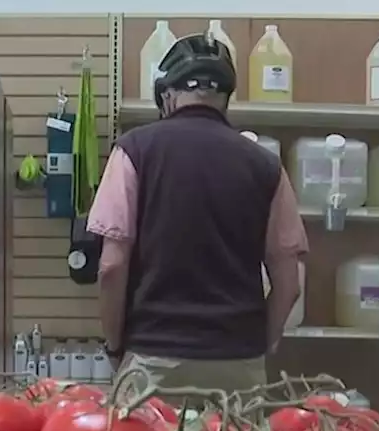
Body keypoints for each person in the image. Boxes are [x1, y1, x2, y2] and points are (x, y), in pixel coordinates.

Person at [85, 32, 308, 394]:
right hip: (238, 361)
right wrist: (261, 344)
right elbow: (289, 281)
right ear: (225, 97)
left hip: (154, 358)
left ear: (167, 95)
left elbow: (111, 267)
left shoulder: (133, 151)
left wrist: (114, 346)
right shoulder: (266, 166)